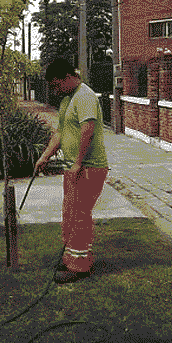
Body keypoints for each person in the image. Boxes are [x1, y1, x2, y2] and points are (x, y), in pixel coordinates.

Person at [34, 58, 109, 284]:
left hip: (88, 166)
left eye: (56, 85)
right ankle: (71, 258)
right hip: (73, 166)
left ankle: (79, 265)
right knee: (69, 212)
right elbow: (60, 132)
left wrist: (77, 162)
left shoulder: (84, 96)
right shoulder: (68, 99)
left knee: (79, 214)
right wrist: (45, 156)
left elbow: (88, 129)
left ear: (67, 77)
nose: (55, 90)